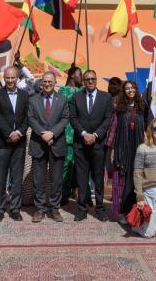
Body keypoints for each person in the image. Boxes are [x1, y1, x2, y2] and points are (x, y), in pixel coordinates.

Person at [69, 69, 113, 222]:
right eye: (87, 79)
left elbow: (108, 119)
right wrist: (84, 134)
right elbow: (73, 118)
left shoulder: (106, 97)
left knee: (98, 178)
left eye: (92, 78)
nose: (90, 81)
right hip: (80, 144)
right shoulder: (76, 97)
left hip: (98, 144)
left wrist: (94, 135)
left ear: (96, 79)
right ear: (83, 80)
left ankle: (100, 209)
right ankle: (82, 209)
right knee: (81, 178)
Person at [106, 80, 151, 221]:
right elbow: (113, 128)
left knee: (137, 177)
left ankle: (137, 211)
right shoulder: (119, 107)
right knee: (123, 179)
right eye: (127, 88)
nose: (130, 90)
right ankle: (123, 211)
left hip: (139, 146)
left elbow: (150, 126)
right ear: (123, 91)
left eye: (132, 88)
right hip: (122, 147)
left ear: (136, 90)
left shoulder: (143, 105)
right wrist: (112, 149)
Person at [28, 71, 69, 222]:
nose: (47, 84)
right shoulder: (33, 100)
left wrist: (52, 133)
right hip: (38, 143)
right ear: (41, 83)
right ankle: (40, 209)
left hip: (57, 143)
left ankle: (54, 208)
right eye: (44, 81)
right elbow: (31, 119)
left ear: (55, 82)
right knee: (38, 179)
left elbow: (65, 118)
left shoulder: (63, 99)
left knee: (56, 179)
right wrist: (43, 134)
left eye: (50, 82)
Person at [0, 66, 29, 222]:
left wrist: (18, 133)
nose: (10, 81)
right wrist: (9, 133)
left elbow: (27, 116)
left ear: (17, 78)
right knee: (1, 178)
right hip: (2, 142)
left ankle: (15, 209)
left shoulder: (25, 95)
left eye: (13, 78)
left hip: (18, 143)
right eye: (8, 78)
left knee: (17, 178)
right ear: (4, 78)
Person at [59, 65, 85, 205]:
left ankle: (83, 195)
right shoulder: (63, 91)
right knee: (66, 165)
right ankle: (63, 194)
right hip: (67, 134)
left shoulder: (84, 90)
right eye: (79, 74)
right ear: (72, 76)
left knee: (81, 166)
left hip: (81, 133)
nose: (82, 77)